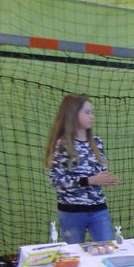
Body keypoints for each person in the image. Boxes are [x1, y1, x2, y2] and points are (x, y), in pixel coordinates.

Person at [45, 94, 120, 244]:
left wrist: (105, 179)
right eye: (87, 112)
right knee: (73, 252)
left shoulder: (97, 142)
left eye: (92, 112)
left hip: (98, 209)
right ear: (73, 115)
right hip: (71, 211)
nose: (92, 116)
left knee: (108, 248)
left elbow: (99, 172)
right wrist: (89, 180)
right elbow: (57, 180)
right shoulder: (62, 145)